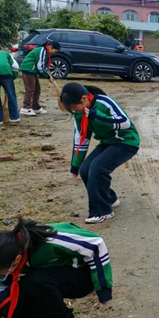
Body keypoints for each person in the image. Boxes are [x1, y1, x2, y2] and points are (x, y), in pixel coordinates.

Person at [60, 83, 140, 224]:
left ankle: (102, 211)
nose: (74, 112)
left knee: (98, 168)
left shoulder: (105, 103)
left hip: (126, 142)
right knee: (85, 169)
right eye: (71, 110)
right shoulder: (79, 114)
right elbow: (81, 139)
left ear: (84, 99)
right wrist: (75, 165)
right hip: (107, 142)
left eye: (74, 107)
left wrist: (96, 115)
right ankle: (109, 198)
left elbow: (125, 123)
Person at [20, 40, 60, 116]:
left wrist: (49, 76)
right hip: (28, 69)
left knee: (37, 89)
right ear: (50, 47)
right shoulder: (42, 50)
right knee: (30, 89)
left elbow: (44, 67)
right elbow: (40, 66)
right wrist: (47, 76)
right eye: (55, 51)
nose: (54, 53)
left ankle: (36, 107)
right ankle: (26, 108)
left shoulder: (46, 52)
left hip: (32, 70)